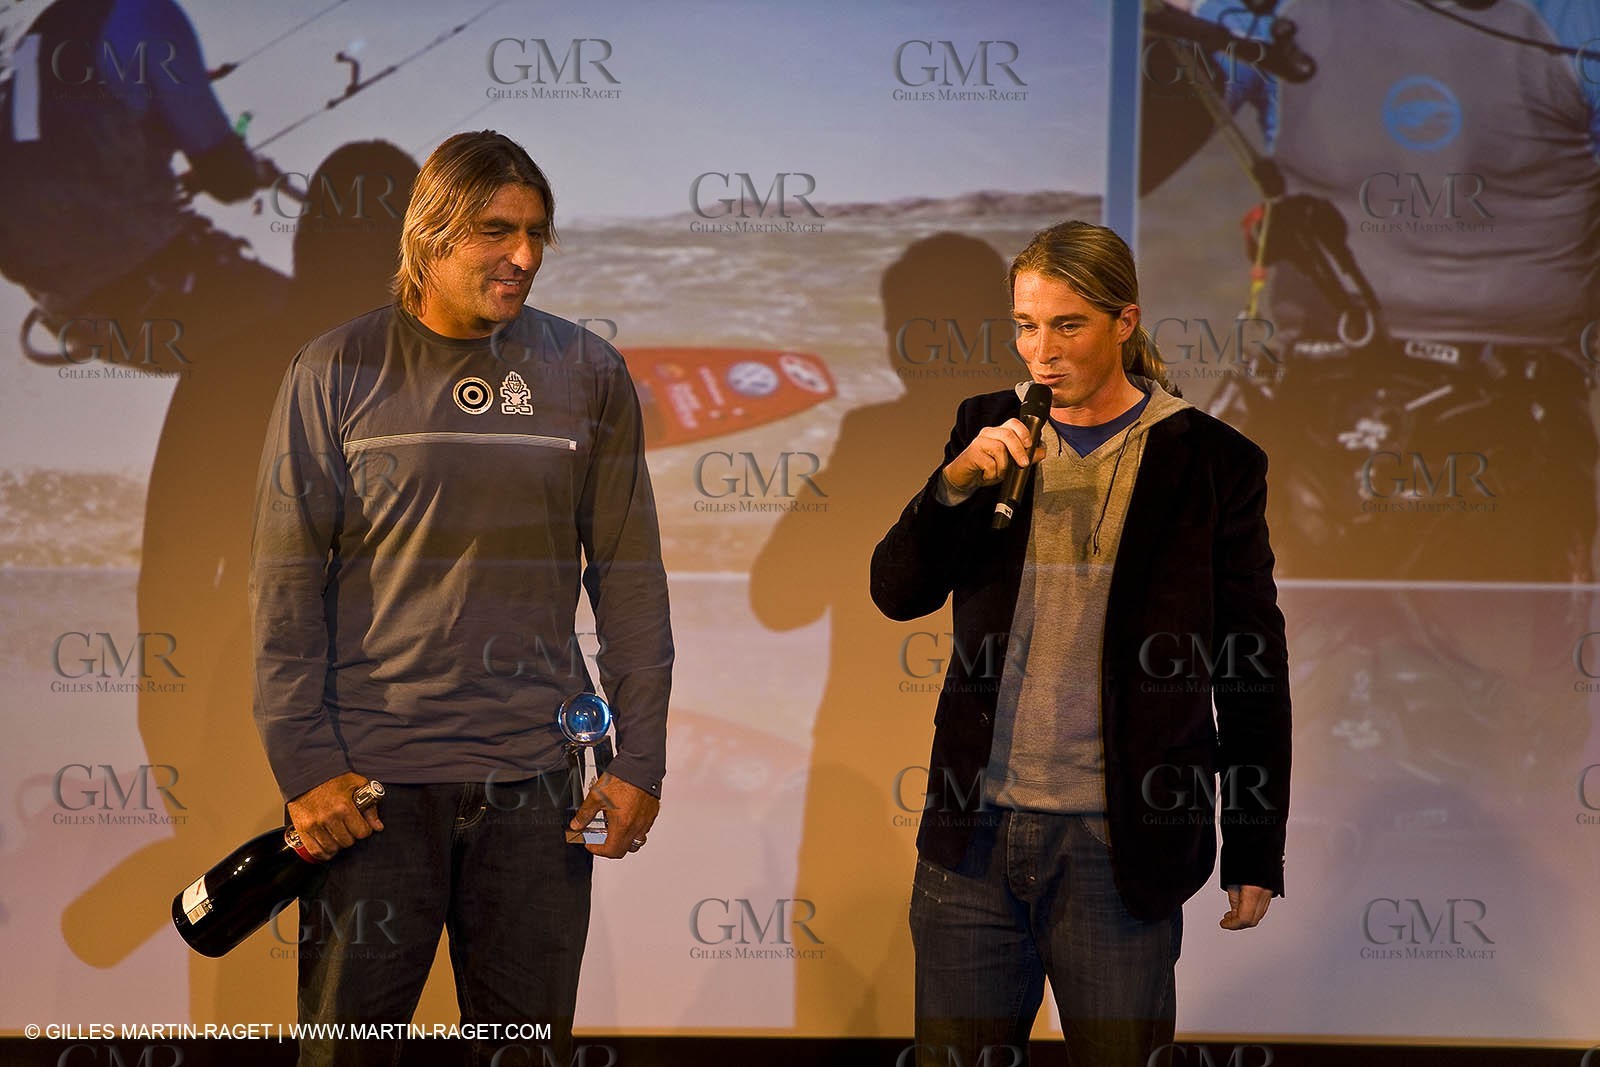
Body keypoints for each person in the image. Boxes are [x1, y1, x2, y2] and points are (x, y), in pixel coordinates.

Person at [248, 130, 673, 1066]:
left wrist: (641, 757)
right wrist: (304, 764)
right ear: (430, 231)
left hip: (535, 793)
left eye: (535, 232)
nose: (523, 255)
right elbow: (283, 590)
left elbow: (630, 577)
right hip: (369, 795)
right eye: (495, 230)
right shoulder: (332, 371)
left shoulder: (587, 372)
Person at [870, 220, 1291, 1066]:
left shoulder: (1211, 461)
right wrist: (951, 487)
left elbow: (1251, 667)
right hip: (974, 839)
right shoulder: (987, 431)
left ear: (1124, 322)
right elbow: (897, 591)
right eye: (1026, 325)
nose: (1041, 351)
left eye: (1068, 325)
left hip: (1120, 847)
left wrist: (1254, 841)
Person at [0, 0, 286, 362]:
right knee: (316, 324)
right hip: (143, 270)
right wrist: (252, 169)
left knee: (237, 364)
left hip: (69, 305)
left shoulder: (47, 31)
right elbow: (229, 177)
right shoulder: (145, 12)